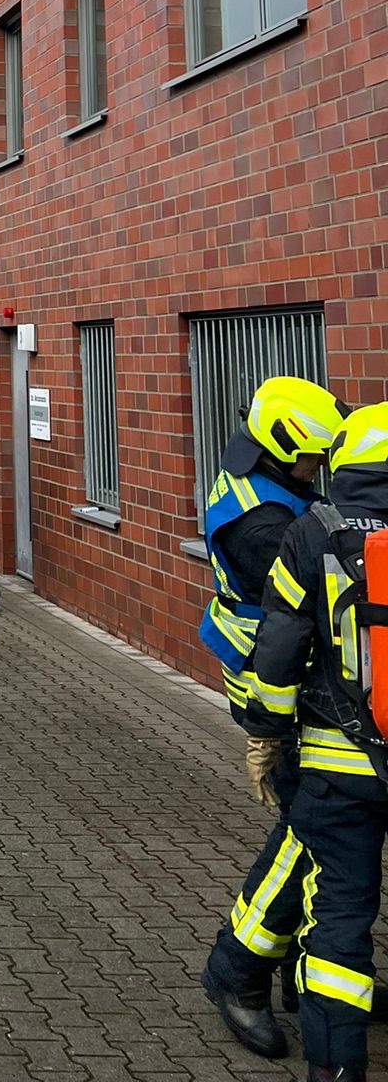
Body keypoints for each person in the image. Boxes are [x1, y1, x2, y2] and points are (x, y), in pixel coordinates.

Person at [241, 402, 388, 1082]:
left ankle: (336, 1069)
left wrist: (266, 734)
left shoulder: (313, 532)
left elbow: (279, 646)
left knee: (340, 917)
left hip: (339, 761)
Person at [201, 377, 344, 1056]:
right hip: (275, 690)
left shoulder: (260, 481)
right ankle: (237, 972)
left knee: (317, 831)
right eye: (313, 458)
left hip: (280, 679)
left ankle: (306, 975)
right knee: (310, 831)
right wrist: (269, 731)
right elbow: (315, 603)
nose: (318, 469)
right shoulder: (265, 528)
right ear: (283, 449)